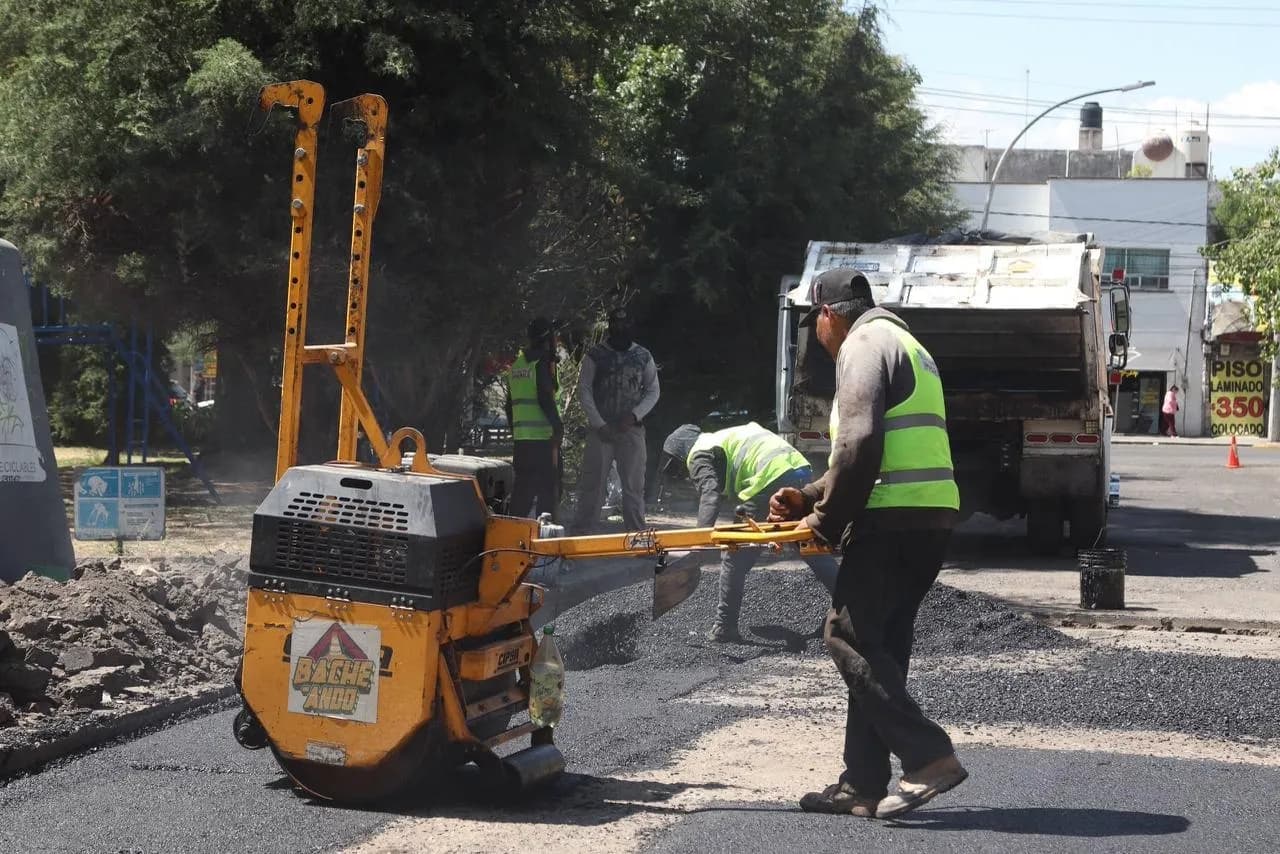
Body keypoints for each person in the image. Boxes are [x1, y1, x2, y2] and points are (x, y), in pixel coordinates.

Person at [767, 269, 967, 820]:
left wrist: (823, 524)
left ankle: (929, 756)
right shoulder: (906, 343)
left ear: (829, 314)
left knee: (846, 635)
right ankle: (862, 783)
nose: (819, 335)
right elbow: (881, 446)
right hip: (928, 517)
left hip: (891, 521)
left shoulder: (863, 344)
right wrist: (809, 495)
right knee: (879, 646)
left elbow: (859, 443)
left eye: (817, 323)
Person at [660, 423, 838, 642]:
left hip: (769, 478)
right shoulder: (719, 438)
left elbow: (710, 494)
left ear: (680, 453)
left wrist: (699, 542)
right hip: (798, 468)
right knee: (806, 543)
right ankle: (847, 609)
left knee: (734, 554)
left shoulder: (698, 452)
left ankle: (724, 626)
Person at [573, 308, 659, 532]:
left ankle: (637, 537)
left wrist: (634, 416)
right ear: (609, 326)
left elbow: (653, 391)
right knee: (593, 486)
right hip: (600, 431)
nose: (620, 328)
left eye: (624, 324)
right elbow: (584, 390)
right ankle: (583, 539)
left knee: (633, 488)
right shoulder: (595, 355)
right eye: (615, 324)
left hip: (631, 430)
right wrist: (598, 423)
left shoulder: (643, 356)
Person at [504, 317, 563, 520]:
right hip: (544, 440)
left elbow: (509, 405)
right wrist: (558, 427)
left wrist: (516, 432)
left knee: (522, 493)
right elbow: (545, 396)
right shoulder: (542, 362)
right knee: (548, 494)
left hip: (522, 441)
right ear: (548, 338)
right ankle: (545, 544)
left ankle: (512, 537)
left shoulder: (518, 364)